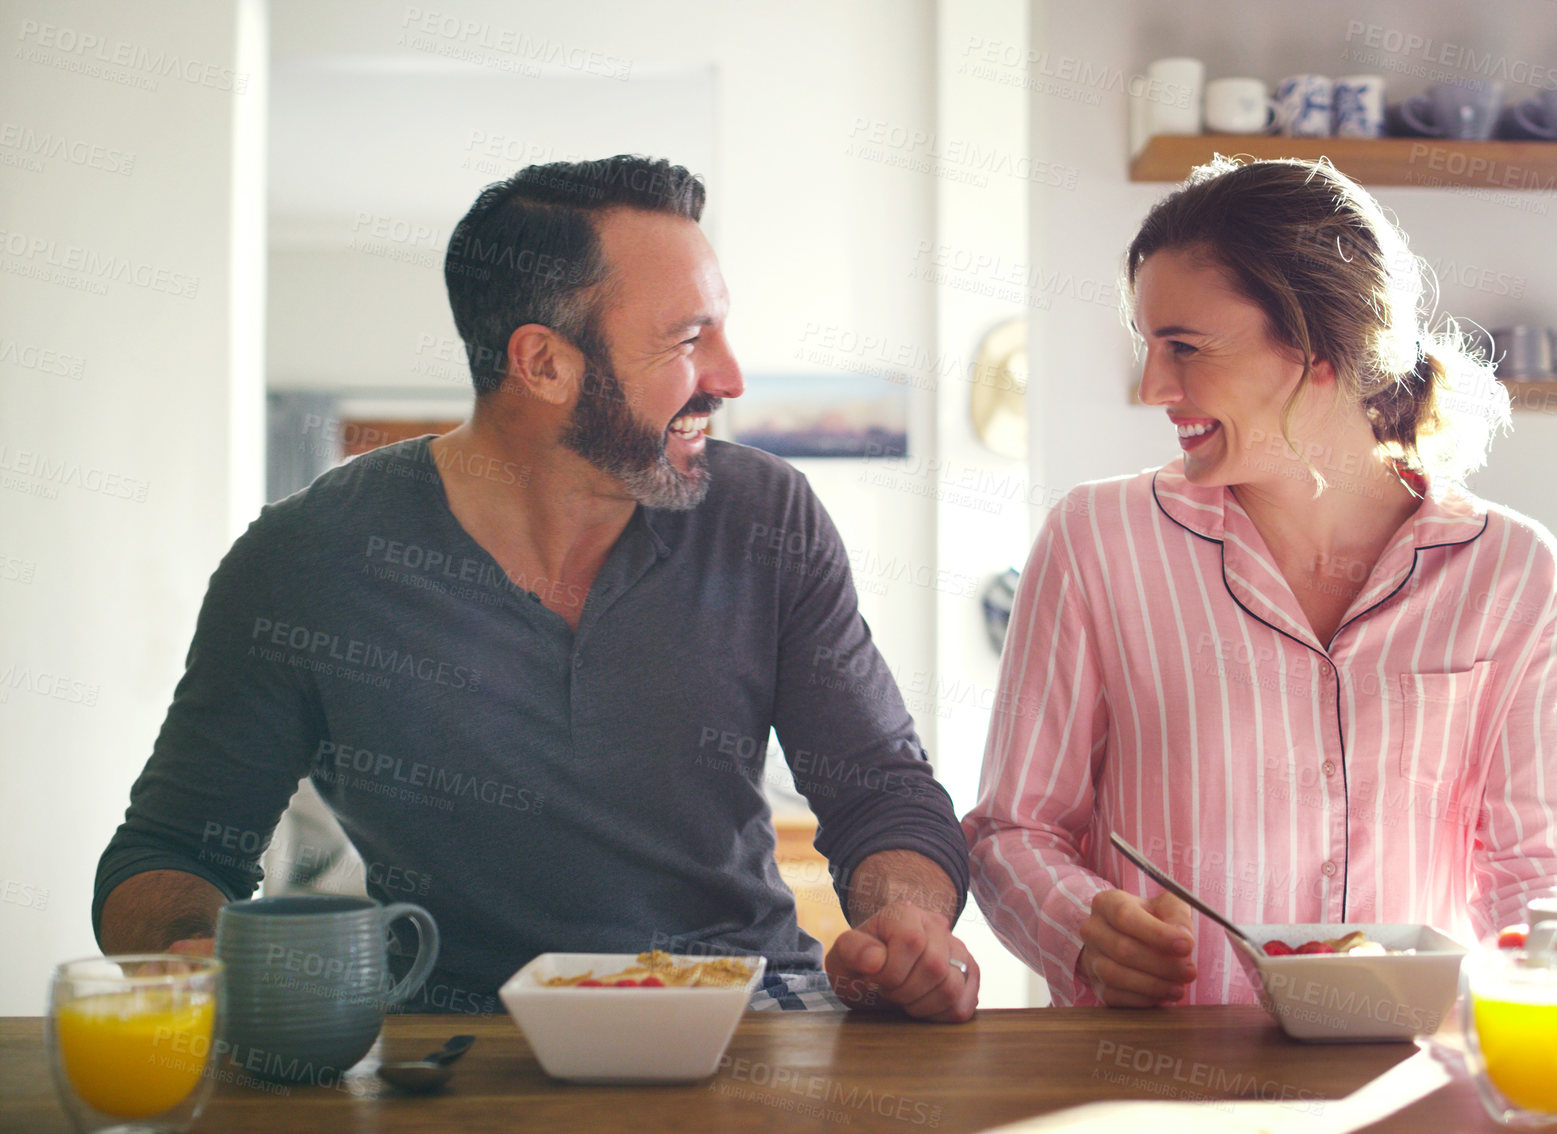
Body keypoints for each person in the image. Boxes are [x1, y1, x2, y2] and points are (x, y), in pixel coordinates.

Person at [94, 155, 980, 1022]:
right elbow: (168, 853)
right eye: (686, 339)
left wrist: (907, 920)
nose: (729, 377)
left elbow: (882, 791)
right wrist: (192, 949)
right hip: (451, 1040)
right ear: (544, 364)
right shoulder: (303, 560)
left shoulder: (763, 516)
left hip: (746, 1009)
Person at [964, 156, 1557, 1009]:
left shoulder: (1508, 569)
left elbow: (1537, 860)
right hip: (1148, 1074)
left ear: (1317, 348)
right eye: (1148, 345)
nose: (1154, 386)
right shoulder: (1096, 540)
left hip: (1402, 1069)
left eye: (1184, 348)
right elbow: (1014, 829)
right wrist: (1080, 925)